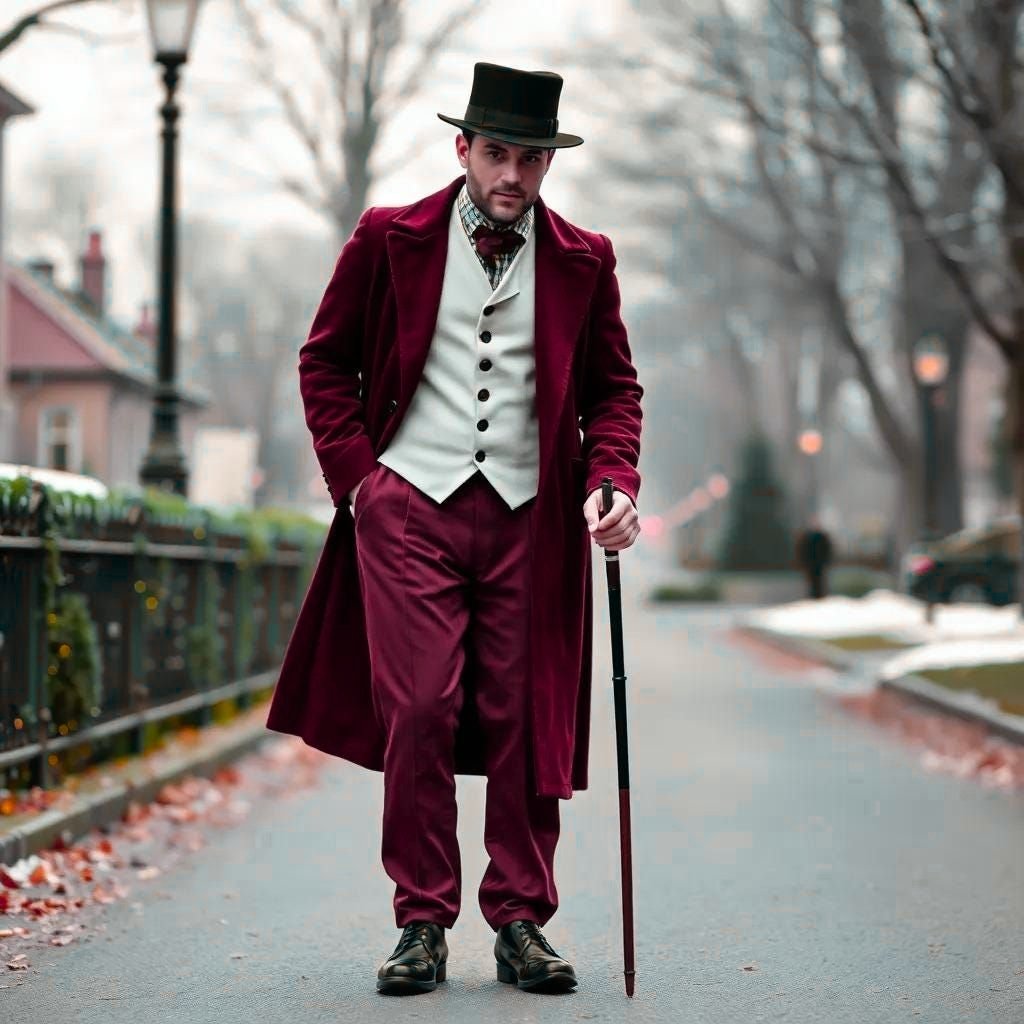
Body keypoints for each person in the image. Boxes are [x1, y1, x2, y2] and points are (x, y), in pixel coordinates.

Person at [265, 62, 644, 996]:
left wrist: (612, 481)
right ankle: (422, 922)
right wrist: (361, 485)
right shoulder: (387, 236)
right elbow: (325, 364)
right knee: (422, 708)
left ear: (550, 163)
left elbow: (612, 393)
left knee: (525, 715)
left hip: (532, 519)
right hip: (409, 510)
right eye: (498, 153)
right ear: (463, 148)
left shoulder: (585, 258)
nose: (513, 174)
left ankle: (520, 919)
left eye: (531, 158)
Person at [795, 517, 834, 599]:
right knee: (812, 581)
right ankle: (814, 595)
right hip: (810, 564)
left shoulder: (820, 537)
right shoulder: (807, 537)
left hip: (819, 564)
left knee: (820, 581)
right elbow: (802, 551)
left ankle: (819, 595)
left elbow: (827, 550)